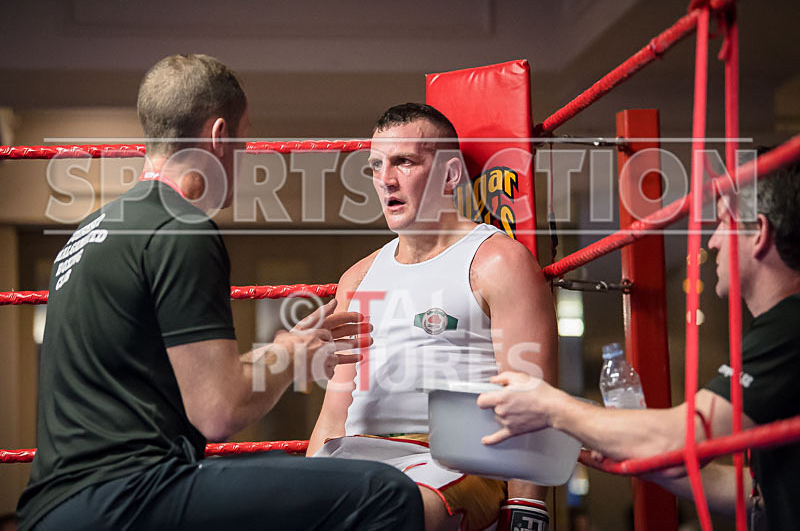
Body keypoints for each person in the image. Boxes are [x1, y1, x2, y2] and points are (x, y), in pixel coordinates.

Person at [16, 54, 424, 531]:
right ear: (218, 136)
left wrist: (286, 346)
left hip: (57, 506)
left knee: (287, 476)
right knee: (387, 491)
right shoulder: (181, 226)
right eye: (243, 140)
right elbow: (218, 412)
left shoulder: (91, 230)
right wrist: (294, 357)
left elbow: (192, 376)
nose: (244, 156)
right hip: (128, 496)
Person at [477, 158, 800, 528]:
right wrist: (629, 447)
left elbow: (682, 438)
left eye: (724, 224)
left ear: (759, 233)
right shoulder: (780, 326)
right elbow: (759, 494)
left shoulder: (789, 325)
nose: (713, 242)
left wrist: (550, 406)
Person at [307, 103, 558, 531]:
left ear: (450, 174)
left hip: (456, 459)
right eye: (376, 165)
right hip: (359, 457)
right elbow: (333, 416)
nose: (386, 179)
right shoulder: (358, 278)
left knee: (392, 513)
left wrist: (526, 514)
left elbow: (535, 402)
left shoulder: (497, 262)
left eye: (404, 162)